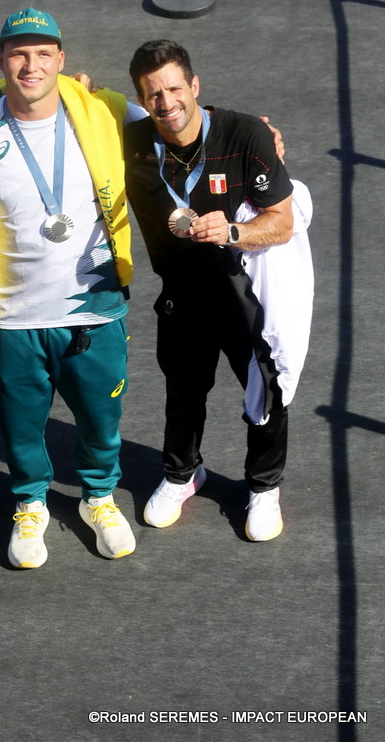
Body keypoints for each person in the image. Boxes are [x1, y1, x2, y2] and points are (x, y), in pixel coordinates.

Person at [0, 8, 145, 568]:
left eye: (42, 54)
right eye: (18, 53)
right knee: (21, 425)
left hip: (94, 308)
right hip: (12, 314)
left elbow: (178, 125)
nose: (30, 65)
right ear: (0, 60)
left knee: (102, 421)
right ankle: (29, 503)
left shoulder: (103, 112)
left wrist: (254, 136)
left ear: (62, 60)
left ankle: (98, 498)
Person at [124, 40, 313, 541]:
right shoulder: (134, 141)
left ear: (194, 86)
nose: (166, 103)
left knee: (266, 387)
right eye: (153, 94)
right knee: (182, 391)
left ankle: (263, 487)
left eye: (173, 88)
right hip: (181, 290)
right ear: (142, 98)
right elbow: (72, 108)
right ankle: (182, 475)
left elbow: (283, 222)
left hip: (241, 289)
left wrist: (231, 231)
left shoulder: (246, 134)